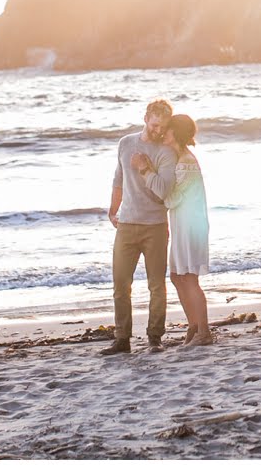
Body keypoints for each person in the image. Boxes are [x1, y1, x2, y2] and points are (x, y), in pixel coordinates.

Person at [101, 98, 177, 355]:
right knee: (120, 285)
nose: (158, 131)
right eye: (155, 125)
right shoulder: (125, 143)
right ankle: (121, 340)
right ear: (146, 118)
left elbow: (164, 193)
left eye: (162, 127)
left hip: (155, 226)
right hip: (127, 225)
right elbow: (118, 180)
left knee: (157, 285)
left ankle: (155, 337)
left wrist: (145, 168)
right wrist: (113, 210)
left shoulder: (166, 152)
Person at [135, 113, 212, 347]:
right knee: (178, 276)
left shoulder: (186, 162)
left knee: (189, 278)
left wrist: (146, 171)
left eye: (167, 130)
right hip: (182, 223)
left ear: (175, 133)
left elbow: (172, 198)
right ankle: (194, 326)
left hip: (191, 226)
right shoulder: (179, 158)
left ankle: (204, 332)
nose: (162, 133)